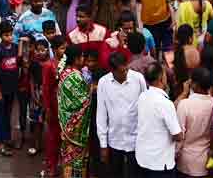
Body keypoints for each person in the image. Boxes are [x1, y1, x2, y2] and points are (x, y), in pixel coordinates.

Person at [96, 50, 147, 178]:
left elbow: (146, 107)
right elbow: (101, 114)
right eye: (121, 71)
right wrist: (103, 144)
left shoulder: (138, 79)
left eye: (126, 70)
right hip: (114, 139)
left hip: (136, 139)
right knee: (115, 174)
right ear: (112, 71)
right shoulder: (103, 83)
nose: (125, 73)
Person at [133, 63, 181, 178]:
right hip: (159, 163)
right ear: (161, 78)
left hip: (143, 159)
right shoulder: (165, 103)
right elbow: (177, 135)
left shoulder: (142, 97)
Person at [57, 46, 93, 178]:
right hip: (76, 128)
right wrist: (91, 89)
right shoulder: (75, 77)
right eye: (82, 56)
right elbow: (84, 101)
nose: (84, 59)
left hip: (66, 122)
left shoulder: (65, 73)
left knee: (68, 155)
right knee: (77, 158)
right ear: (76, 59)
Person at [175, 67, 213, 178]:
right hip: (206, 162)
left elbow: (179, 137)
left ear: (194, 84)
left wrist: (174, 155)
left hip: (185, 163)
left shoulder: (184, 105)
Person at [0, 21, 21, 156]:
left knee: (8, 113)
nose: (10, 37)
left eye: (11, 34)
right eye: (6, 35)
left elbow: (18, 62)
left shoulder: (14, 47)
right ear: (1, 36)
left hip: (11, 87)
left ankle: (7, 138)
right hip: (0, 88)